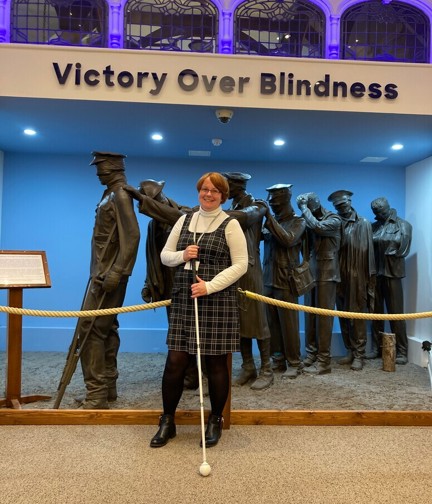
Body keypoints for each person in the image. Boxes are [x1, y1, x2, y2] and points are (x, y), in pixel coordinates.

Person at [150, 172, 248, 448]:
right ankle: (167, 421)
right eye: (204, 189)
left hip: (216, 299)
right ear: (198, 192)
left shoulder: (231, 224)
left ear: (223, 196)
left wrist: (210, 286)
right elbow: (165, 256)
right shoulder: (185, 220)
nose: (208, 194)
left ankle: (215, 419)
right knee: (175, 363)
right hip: (185, 299)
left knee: (215, 364)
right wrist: (183, 255)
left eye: (215, 191)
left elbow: (241, 264)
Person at [77, 151, 140, 409]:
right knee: (106, 327)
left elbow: (132, 236)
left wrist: (117, 271)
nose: (97, 172)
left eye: (100, 167)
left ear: (111, 168)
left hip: (108, 276)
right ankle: (107, 388)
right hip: (100, 272)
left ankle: (96, 394)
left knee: (89, 330)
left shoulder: (121, 194)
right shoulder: (110, 193)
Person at [126, 179, 199, 389]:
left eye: (151, 201)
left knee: (191, 331)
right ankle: (187, 373)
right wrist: (149, 283)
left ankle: (194, 375)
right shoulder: (153, 224)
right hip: (167, 284)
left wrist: (143, 201)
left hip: (187, 283)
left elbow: (179, 219)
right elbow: (153, 257)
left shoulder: (186, 213)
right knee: (177, 333)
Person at [222, 172, 274, 390]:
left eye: (227, 185)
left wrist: (213, 212)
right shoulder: (234, 204)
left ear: (237, 185)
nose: (224, 189)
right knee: (239, 321)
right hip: (232, 269)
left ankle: (267, 369)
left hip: (250, 270)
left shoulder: (257, 205)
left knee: (258, 320)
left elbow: (241, 218)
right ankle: (248, 366)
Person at [328, 190, 376, 371]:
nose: (343, 208)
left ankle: (359, 354)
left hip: (358, 275)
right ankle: (349, 350)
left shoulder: (363, 223)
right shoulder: (335, 222)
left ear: (350, 202)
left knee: (357, 315)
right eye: (339, 206)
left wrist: (369, 279)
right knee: (343, 314)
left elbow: (369, 251)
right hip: (340, 274)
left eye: (345, 204)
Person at [262, 184, 306, 378]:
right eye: (270, 203)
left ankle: (295, 363)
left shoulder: (298, 222)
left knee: (289, 325)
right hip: (268, 279)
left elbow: (288, 240)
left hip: (286, 279)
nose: (272, 205)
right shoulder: (272, 222)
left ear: (285, 200)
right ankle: (278, 359)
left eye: (274, 202)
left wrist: (269, 218)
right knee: (271, 324)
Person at [296, 192, 342, 375]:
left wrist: (304, 209)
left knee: (324, 318)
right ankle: (311, 354)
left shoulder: (334, 219)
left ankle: (324, 361)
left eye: (307, 206)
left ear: (314, 205)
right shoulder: (307, 216)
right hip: (311, 272)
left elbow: (318, 227)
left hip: (328, 273)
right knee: (310, 316)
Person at [367, 197, 412, 364]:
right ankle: (376, 348)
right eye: (376, 212)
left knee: (396, 314)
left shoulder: (403, 225)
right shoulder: (373, 227)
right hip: (375, 275)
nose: (379, 214)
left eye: (381, 211)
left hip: (392, 274)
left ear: (388, 207)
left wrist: (390, 249)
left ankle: (401, 351)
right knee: (375, 313)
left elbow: (403, 249)